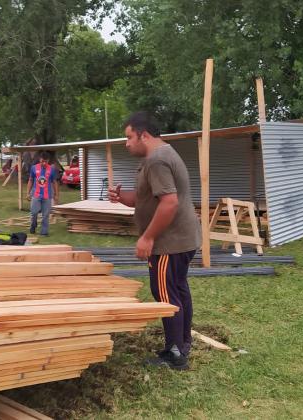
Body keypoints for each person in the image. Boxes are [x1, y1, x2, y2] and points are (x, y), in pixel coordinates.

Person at [108, 111, 201, 370]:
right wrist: (121, 198)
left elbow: (169, 203)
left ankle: (175, 354)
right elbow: (149, 198)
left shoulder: (157, 160)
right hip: (184, 239)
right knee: (178, 289)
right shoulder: (163, 155)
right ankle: (182, 344)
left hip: (169, 243)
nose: (126, 143)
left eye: (128, 137)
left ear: (143, 135)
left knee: (165, 294)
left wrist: (148, 237)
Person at [26, 151, 59, 236]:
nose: (44, 163)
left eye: (45, 161)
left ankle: (44, 232)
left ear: (48, 160)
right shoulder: (34, 168)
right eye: (42, 161)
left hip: (47, 196)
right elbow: (30, 180)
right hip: (36, 195)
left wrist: (56, 194)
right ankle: (33, 226)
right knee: (34, 212)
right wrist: (28, 193)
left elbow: (54, 182)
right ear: (39, 160)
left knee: (46, 215)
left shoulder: (51, 169)